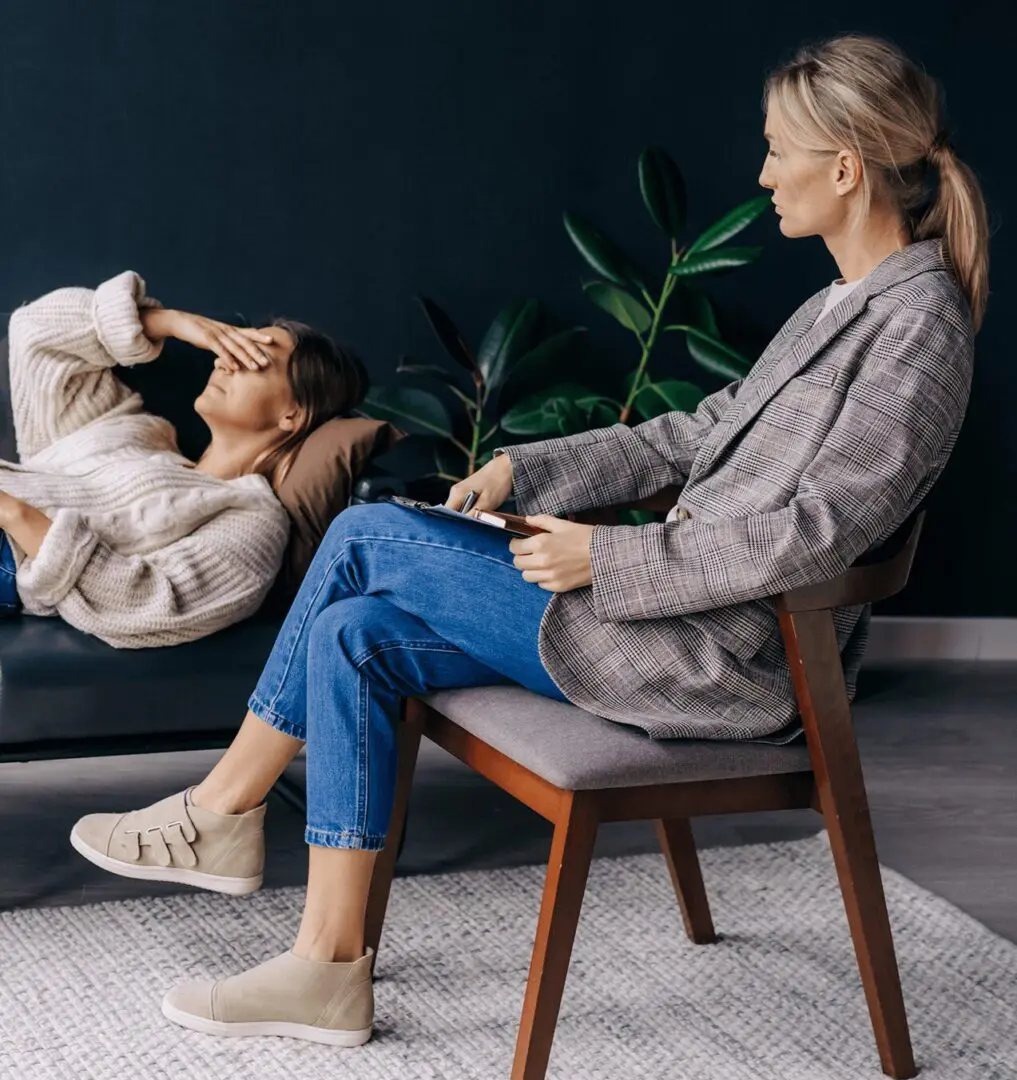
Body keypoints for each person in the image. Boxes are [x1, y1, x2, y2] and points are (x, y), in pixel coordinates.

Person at [70, 32, 988, 1048]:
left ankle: (222, 809)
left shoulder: (920, 325)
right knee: (355, 633)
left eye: (778, 150)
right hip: (676, 614)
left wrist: (611, 559)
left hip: (721, 654)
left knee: (369, 533)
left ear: (846, 166)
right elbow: (696, 431)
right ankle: (324, 969)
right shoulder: (837, 307)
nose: (763, 174)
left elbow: (820, 533)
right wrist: (530, 470)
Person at [0, 270, 366, 646]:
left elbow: (146, 603)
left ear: (293, 414)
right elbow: (34, 332)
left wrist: (14, 512)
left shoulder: (251, 517)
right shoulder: (131, 431)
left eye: (255, 357)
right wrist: (172, 323)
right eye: (230, 347)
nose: (224, 362)